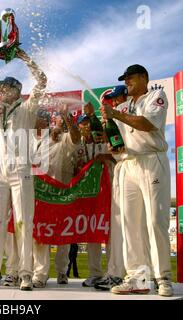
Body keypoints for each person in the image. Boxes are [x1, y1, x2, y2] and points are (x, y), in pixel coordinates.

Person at [0, 48, 47, 291]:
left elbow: (42, 81)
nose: (0, 91)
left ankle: (25, 273)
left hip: (21, 169)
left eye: (5, 87)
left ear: (16, 90)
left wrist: (24, 57)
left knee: (24, 221)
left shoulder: (27, 109)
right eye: (0, 88)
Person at [101, 64, 173, 297]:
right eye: (126, 79)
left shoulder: (156, 96)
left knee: (155, 221)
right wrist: (109, 133)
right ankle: (138, 278)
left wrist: (116, 115)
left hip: (152, 161)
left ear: (144, 77)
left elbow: (147, 124)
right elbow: (117, 142)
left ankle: (163, 278)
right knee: (130, 224)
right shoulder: (123, 106)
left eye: (131, 78)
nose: (128, 81)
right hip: (129, 163)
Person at [31, 106, 80, 288]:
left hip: (63, 193)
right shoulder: (36, 140)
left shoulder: (65, 138)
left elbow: (75, 137)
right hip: (42, 194)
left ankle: (62, 272)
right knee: (41, 233)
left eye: (63, 119)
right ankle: (40, 274)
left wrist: (67, 118)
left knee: (64, 235)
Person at [74, 111, 115, 287]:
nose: (86, 126)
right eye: (82, 124)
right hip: (90, 193)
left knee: (111, 231)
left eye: (88, 122)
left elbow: (120, 154)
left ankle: (113, 272)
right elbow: (74, 168)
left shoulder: (104, 139)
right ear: (78, 127)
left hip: (110, 190)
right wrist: (79, 167)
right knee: (92, 231)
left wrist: (104, 157)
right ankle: (95, 273)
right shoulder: (78, 147)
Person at [94, 85, 128, 291]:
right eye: (112, 100)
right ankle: (115, 273)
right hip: (120, 169)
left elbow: (123, 147)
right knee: (116, 225)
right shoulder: (114, 120)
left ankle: (128, 274)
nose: (114, 102)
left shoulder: (130, 114)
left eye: (117, 98)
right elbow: (115, 147)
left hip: (132, 166)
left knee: (127, 225)